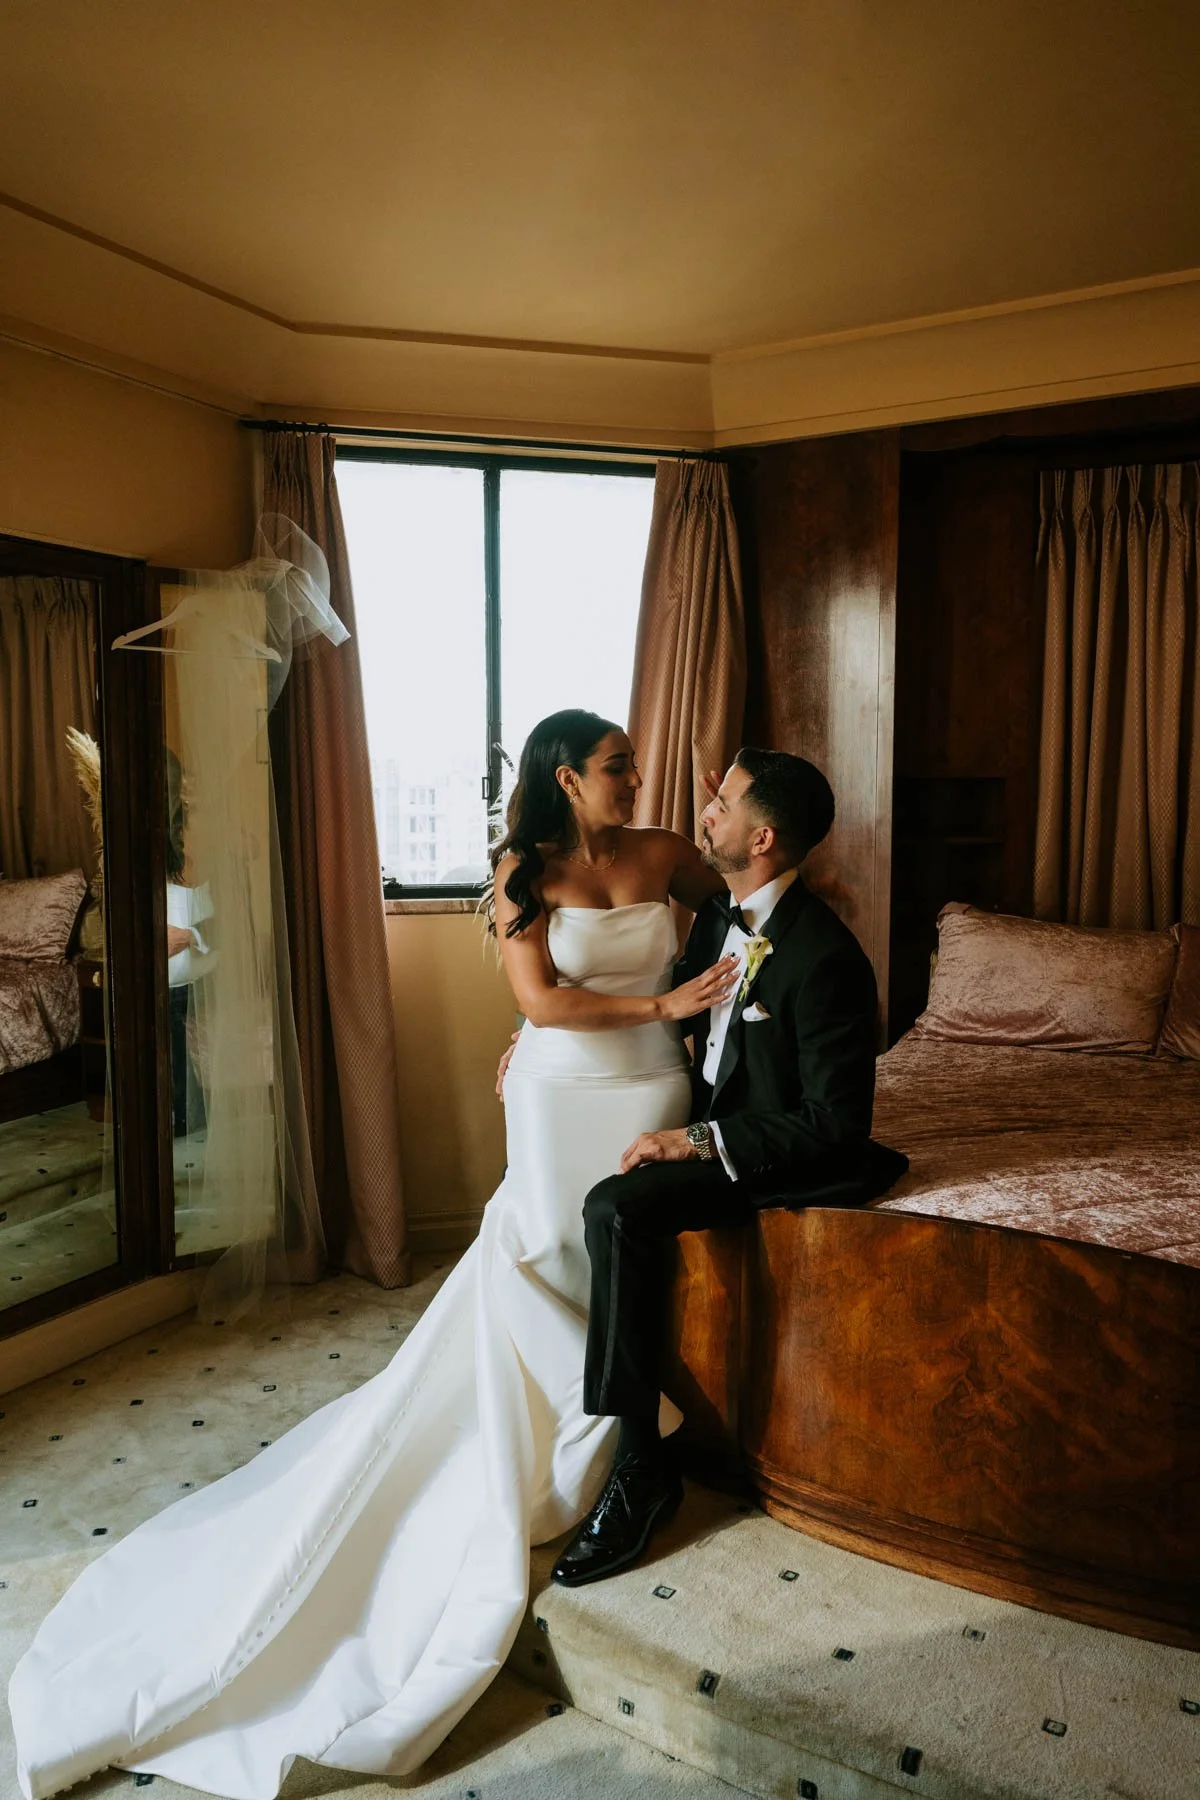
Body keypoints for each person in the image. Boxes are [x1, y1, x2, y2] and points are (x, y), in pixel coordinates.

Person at [9, 708, 738, 1800]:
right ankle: (601, 1436)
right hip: (561, 1094)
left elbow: (733, 925)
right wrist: (647, 1004)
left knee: (631, 1258)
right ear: (563, 777)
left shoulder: (668, 852)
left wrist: (697, 1014)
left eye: (632, 764)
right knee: (546, 1252)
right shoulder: (517, 868)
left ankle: (623, 1431)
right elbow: (539, 997)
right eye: (614, 766)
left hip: (652, 1084)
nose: (634, 778)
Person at [548, 746, 909, 1587]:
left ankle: (642, 1470)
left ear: (764, 838)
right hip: (703, 1110)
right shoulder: (721, 916)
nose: (705, 810)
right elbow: (672, 1002)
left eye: (726, 803)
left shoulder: (827, 960)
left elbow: (835, 1124)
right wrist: (535, 1042)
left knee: (616, 1207)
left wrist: (696, 1142)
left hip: (770, 1146)